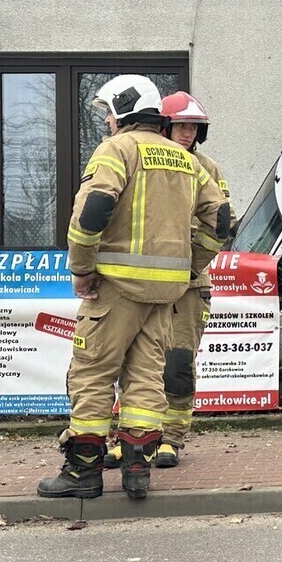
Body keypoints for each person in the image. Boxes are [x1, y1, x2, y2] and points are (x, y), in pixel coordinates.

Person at [37, 76, 230, 500]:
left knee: (92, 374)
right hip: (166, 295)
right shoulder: (188, 162)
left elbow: (94, 209)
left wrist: (82, 268)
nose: (106, 119)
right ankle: (137, 470)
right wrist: (189, 266)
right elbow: (220, 220)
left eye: (109, 110)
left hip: (115, 289)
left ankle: (83, 472)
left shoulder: (118, 149)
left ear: (124, 110)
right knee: (146, 379)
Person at [104, 91, 234, 469]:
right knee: (135, 364)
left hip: (189, 285)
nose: (187, 134)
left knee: (177, 364)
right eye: (180, 126)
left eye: (194, 128)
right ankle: (131, 439)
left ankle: (171, 438)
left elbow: (222, 221)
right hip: (139, 284)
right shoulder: (144, 159)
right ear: (165, 125)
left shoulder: (207, 167)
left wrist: (191, 267)